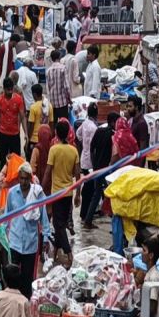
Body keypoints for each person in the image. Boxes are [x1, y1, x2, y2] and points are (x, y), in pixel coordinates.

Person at [6, 162, 51, 298]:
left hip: (30, 243)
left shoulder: (37, 194)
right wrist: (3, 236)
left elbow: (43, 217)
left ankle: (25, 302)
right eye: (21, 178)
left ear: (30, 178)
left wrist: (46, 237)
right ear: (18, 178)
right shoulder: (12, 193)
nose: (24, 182)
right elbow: (7, 216)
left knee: (27, 278)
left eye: (26, 179)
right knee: (12, 277)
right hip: (14, 242)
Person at [45, 120, 81, 265]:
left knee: (58, 225)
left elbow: (48, 172)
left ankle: (69, 253)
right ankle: (55, 252)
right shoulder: (74, 150)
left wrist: (40, 190)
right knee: (60, 224)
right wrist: (78, 194)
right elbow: (77, 175)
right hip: (69, 193)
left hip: (56, 194)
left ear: (56, 133)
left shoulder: (53, 150)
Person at [82, 112, 117, 230]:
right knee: (105, 193)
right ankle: (90, 220)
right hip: (106, 169)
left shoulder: (99, 131)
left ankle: (89, 219)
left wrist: (94, 164)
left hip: (97, 168)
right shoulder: (112, 135)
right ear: (113, 122)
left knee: (98, 193)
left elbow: (92, 148)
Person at [0, 78, 28, 167]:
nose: (10, 92)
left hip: (15, 134)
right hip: (3, 134)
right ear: (4, 89)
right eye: (8, 90)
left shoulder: (18, 99)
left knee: (16, 160)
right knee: (3, 160)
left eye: (11, 89)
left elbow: (23, 117)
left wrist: (26, 133)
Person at [77, 103, 99, 223]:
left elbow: (78, 134)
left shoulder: (85, 123)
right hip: (90, 161)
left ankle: (85, 212)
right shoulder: (94, 128)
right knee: (89, 188)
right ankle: (85, 214)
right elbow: (94, 147)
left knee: (88, 186)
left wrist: (83, 144)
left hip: (84, 159)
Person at [137, 238, 159, 317]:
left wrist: (139, 315)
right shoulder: (152, 273)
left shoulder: (154, 277)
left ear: (151, 255)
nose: (141, 253)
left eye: (144, 250)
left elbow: (151, 309)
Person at [46, 50, 71, 123]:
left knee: (53, 124)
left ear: (51, 59)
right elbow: (66, 86)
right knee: (64, 123)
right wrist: (69, 99)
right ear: (59, 57)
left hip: (52, 103)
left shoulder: (48, 71)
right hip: (62, 102)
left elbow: (48, 88)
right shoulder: (63, 68)